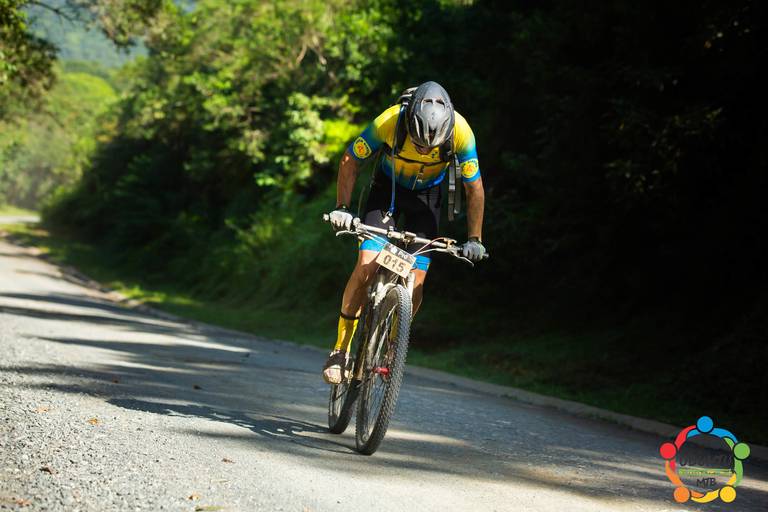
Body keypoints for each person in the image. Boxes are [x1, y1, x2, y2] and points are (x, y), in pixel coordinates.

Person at [323, 81, 486, 384]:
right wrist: (342, 207)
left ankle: (391, 351)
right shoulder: (390, 121)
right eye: (419, 143)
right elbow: (350, 160)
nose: (425, 150)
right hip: (388, 191)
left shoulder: (461, 132)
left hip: (427, 199)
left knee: (417, 282)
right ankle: (340, 350)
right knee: (366, 265)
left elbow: (473, 188)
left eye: (431, 146)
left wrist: (474, 239)